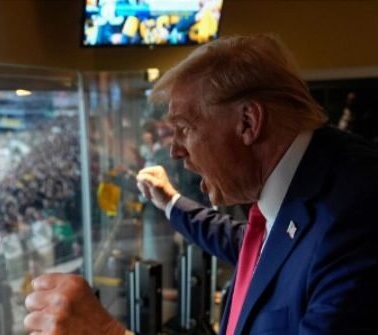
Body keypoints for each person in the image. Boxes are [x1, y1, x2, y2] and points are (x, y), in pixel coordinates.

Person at [24, 34, 378, 335]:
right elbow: (255, 247)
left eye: (185, 128)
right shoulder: (312, 174)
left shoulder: (355, 218)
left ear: (248, 122)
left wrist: (106, 332)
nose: (175, 150)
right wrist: (171, 202)